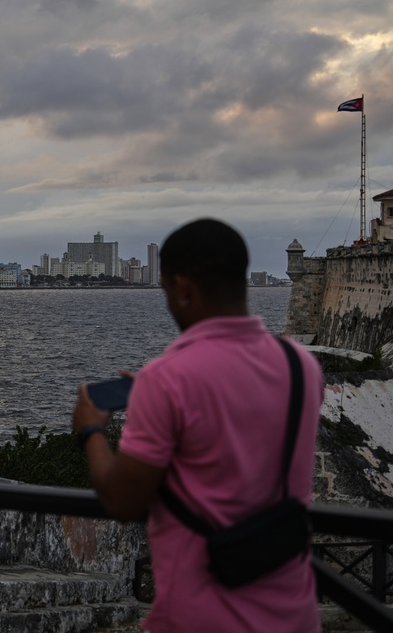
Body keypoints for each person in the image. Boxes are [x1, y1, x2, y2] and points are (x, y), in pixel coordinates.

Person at [72, 218, 323, 632]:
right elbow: (241, 414)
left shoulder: (168, 380)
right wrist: (161, 406)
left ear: (184, 288)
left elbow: (122, 500)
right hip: (295, 616)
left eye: (167, 290)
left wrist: (91, 429)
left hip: (203, 618)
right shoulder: (302, 366)